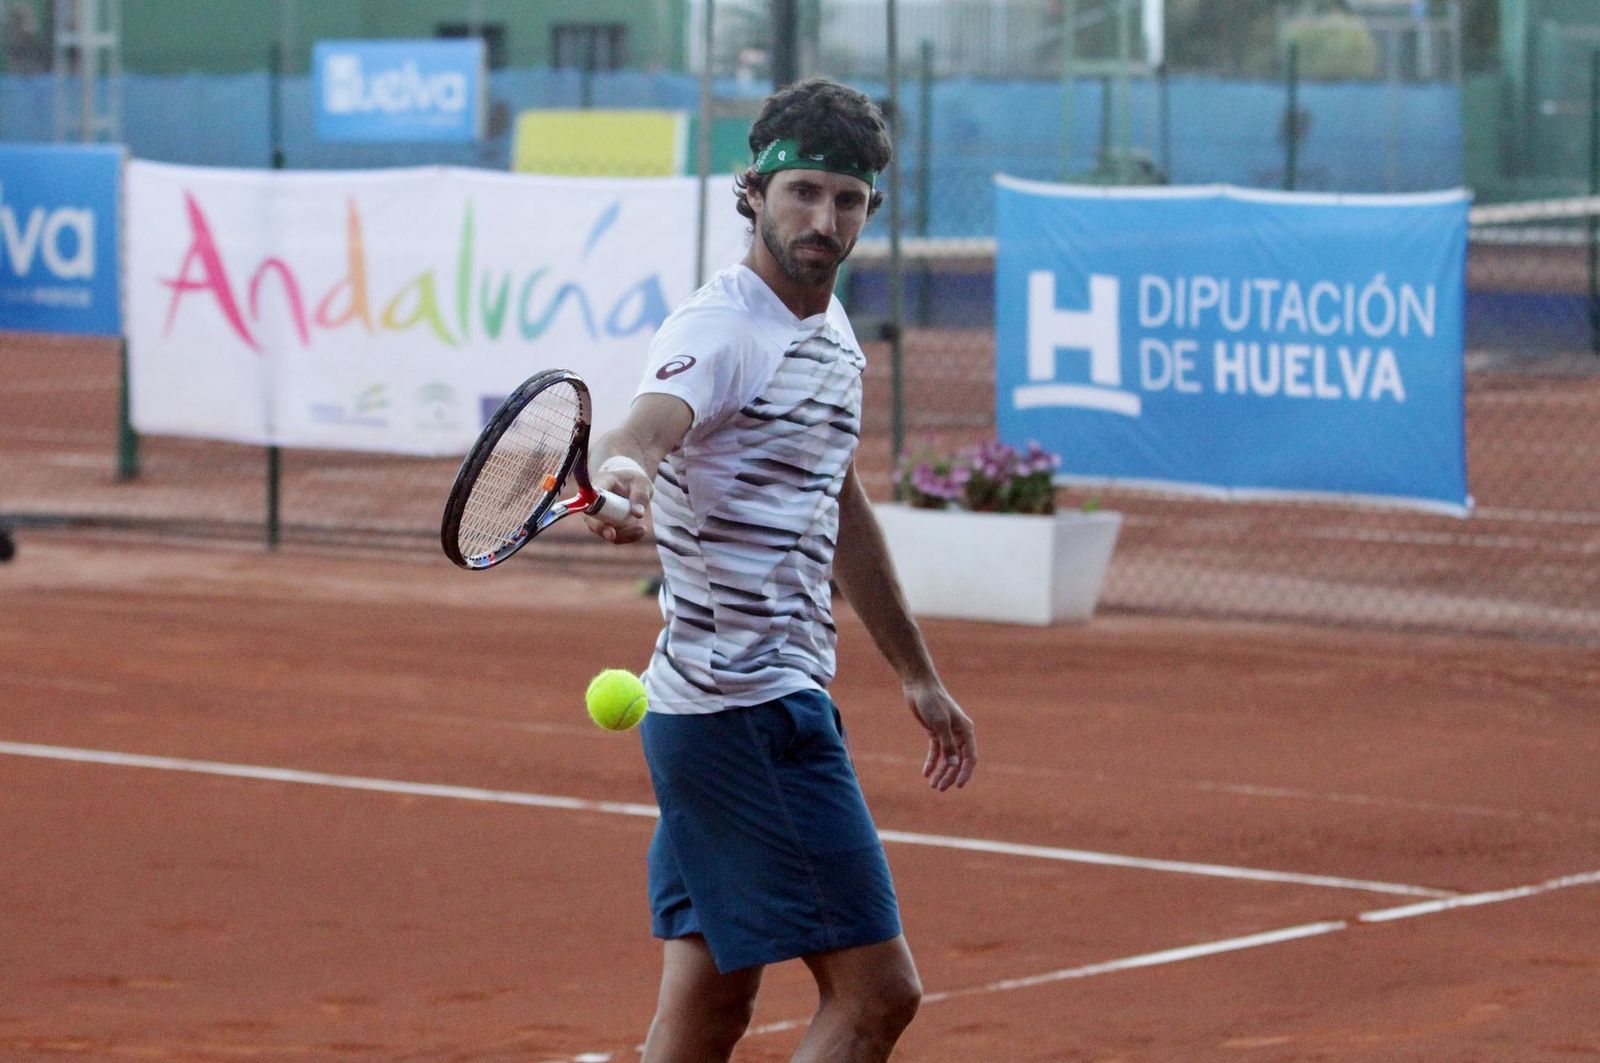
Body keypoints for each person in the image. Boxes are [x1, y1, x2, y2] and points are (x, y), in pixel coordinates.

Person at [583, 77, 977, 1062]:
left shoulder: (830, 333)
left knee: (709, 1005)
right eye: (801, 190)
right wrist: (624, 476)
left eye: (846, 200)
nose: (823, 218)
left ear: (870, 211)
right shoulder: (721, 328)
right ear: (752, 192)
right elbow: (645, 427)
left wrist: (916, 674)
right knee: (879, 993)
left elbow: (835, 504)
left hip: (730, 708)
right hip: (741, 716)